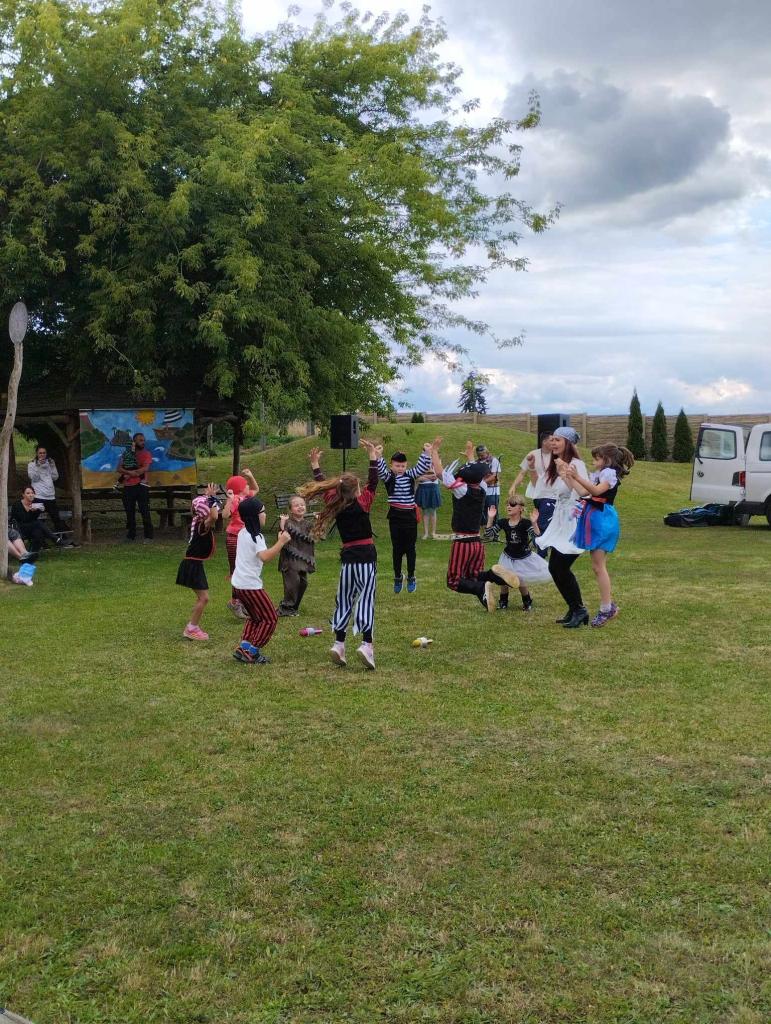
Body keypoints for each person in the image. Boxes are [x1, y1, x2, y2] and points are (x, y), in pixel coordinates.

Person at [299, 439, 380, 670]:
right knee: (366, 599)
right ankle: (366, 644)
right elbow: (374, 481)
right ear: (356, 490)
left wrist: (315, 465)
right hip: (366, 557)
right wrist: (372, 456)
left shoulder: (336, 503)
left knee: (344, 599)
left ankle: (339, 644)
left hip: (347, 560)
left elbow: (323, 486)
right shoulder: (363, 502)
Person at [565, 443, 635, 627]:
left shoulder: (609, 474)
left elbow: (596, 491)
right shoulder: (600, 475)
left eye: (597, 459)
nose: (594, 462)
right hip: (595, 519)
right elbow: (583, 492)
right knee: (597, 566)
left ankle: (606, 608)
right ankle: (608, 607)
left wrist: (577, 476)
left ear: (607, 460)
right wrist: (568, 476)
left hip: (603, 520)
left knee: (598, 567)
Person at [534, 427, 590, 628]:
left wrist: (566, 474)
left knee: (560, 567)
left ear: (568, 443)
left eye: (558, 440)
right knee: (555, 567)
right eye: (552, 440)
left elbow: (584, 492)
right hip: (559, 521)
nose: (553, 443)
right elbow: (541, 489)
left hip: (572, 521)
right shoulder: (556, 464)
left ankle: (579, 610)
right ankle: (575, 608)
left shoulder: (576, 464)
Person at [429, 438, 491, 602]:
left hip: (463, 542)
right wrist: (470, 456)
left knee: (453, 581)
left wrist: (434, 451)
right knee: (475, 575)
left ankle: (481, 588)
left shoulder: (462, 490)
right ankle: (494, 576)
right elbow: (475, 473)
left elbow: (439, 473)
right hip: (478, 542)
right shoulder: (483, 487)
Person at [231, 501, 291, 664]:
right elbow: (265, 557)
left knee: (255, 617)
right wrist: (281, 542)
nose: (265, 514)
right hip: (250, 586)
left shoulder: (243, 532)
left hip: (238, 584)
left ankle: (243, 648)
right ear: (254, 516)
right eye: (262, 512)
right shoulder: (256, 537)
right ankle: (252, 652)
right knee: (270, 618)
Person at [375, 443, 432, 593]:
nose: (400, 468)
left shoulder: (410, 475)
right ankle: (398, 576)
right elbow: (381, 471)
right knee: (397, 549)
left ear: (406, 466)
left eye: (403, 466)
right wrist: (379, 456)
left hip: (409, 517)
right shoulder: (389, 477)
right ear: (392, 465)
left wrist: (426, 453)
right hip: (395, 517)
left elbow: (421, 468)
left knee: (410, 548)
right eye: (397, 466)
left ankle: (411, 576)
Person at [484, 494, 552, 610]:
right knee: (504, 579)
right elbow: (488, 535)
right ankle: (503, 602)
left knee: (520, 580)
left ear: (520, 508)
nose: (509, 506)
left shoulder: (525, 523)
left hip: (523, 557)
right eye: (507, 504)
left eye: (512, 504)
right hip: (508, 556)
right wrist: (490, 518)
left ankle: (527, 602)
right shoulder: (503, 522)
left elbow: (537, 537)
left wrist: (534, 523)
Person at [176, 485, 221, 641]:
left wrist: (209, 498)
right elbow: (214, 517)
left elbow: (212, 514)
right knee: (204, 598)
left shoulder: (199, 522)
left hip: (193, 564)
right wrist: (212, 498)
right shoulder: (203, 524)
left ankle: (192, 626)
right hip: (192, 565)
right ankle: (191, 629)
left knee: (202, 598)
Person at [223, 469, 263, 618]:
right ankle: (235, 602)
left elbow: (256, 489)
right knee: (237, 571)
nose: (248, 486)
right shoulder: (235, 500)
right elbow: (225, 515)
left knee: (244, 570)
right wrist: (229, 500)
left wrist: (251, 476)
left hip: (244, 538)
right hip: (234, 538)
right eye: (246, 484)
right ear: (240, 488)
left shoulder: (246, 497)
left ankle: (242, 602)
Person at [512, 432, 557, 546]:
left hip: (551, 494)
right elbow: (522, 472)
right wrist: (514, 486)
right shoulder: (533, 454)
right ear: (544, 442)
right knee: (540, 518)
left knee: (544, 519)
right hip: (537, 493)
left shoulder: (557, 455)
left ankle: (541, 543)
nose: (554, 442)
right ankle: (539, 541)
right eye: (551, 440)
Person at [276, 495, 316, 617]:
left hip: (303, 559)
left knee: (303, 583)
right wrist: (282, 522)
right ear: (290, 509)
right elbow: (282, 535)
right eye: (296, 505)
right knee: (293, 582)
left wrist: (319, 521)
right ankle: (286, 608)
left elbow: (317, 534)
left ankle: (293, 607)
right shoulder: (288, 523)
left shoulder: (308, 524)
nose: (300, 507)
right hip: (290, 559)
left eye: (302, 504)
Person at [118, 432, 154, 542]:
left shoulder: (146, 454)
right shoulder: (126, 454)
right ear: (134, 442)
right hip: (128, 487)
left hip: (142, 486)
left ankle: (148, 536)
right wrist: (130, 473)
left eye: (143, 440)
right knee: (129, 512)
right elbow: (119, 468)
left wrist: (134, 473)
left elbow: (145, 468)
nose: (143, 442)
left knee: (144, 511)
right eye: (140, 440)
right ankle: (131, 535)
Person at [27, 445, 66, 536]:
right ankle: (38, 538)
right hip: (38, 496)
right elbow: (34, 478)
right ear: (37, 454)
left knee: (56, 518)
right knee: (36, 518)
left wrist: (52, 466)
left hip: (50, 496)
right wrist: (38, 466)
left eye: (44, 453)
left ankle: (61, 538)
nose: (42, 455)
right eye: (40, 453)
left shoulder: (50, 463)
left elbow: (55, 477)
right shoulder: (31, 464)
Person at [10, 487, 63, 552]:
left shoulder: (35, 505)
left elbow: (32, 519)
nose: (31, 495)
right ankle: (55, 539)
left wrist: (38, 510)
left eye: (32, 493)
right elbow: (24, 519)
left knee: (38, 532)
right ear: (23, 495)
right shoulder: (17, 504)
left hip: (29, 528)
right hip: (18, 528)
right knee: (37, 523)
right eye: (28, 493)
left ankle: (33, 554)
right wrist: (31, 511)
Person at [473, 442, 502, 525]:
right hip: (481, 491)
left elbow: (494, 476)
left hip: (492, 491)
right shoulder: (477, 462)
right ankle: (483, 529)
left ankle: (493, 529)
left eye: (482, 455)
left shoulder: (494, 460)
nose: (480, 457)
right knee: (482, 511)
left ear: (487, 452)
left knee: (492, 511)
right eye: (478, 455)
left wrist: (482, 482)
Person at [415, 469, 441, 540]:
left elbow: (435, 477)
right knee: (425, 511)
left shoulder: (436, 464)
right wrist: (429, 477)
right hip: (423, 489)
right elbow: (418, 478)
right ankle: (426, 533)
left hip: (433, 488)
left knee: (433, 511)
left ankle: (433, 533)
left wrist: (424, 476)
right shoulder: (421, 466)